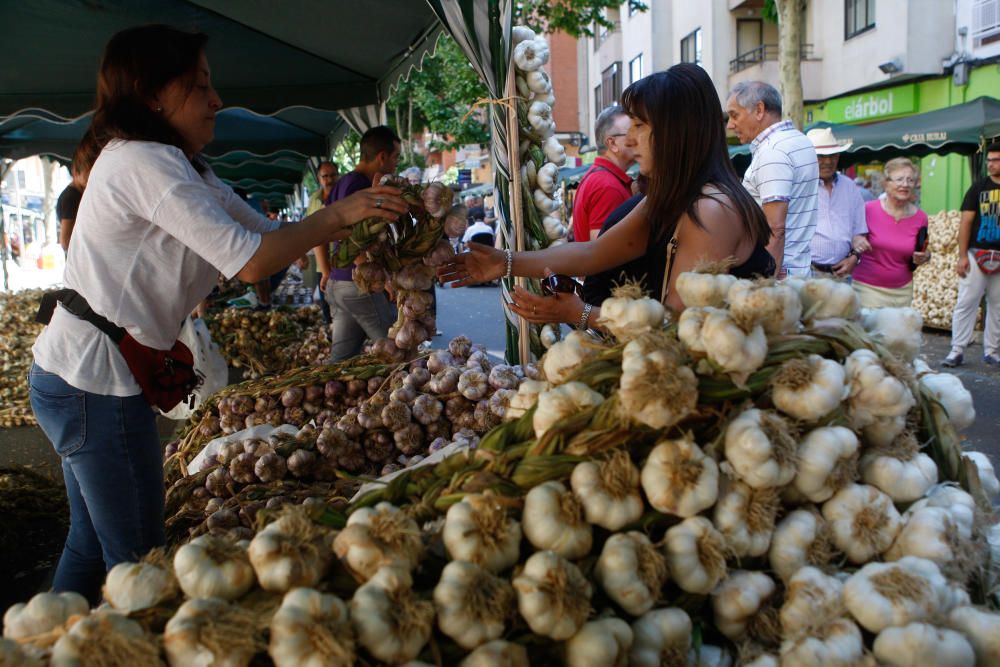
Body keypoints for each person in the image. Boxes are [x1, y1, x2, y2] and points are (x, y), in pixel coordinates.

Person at [28, 25, 406, 604]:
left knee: (90, 544)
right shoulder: (141, 162)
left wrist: (353, 222)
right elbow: (253, 263)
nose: (216, 100)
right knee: (139, 561)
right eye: (199, 86)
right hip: (92, 384)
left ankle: (51, 644)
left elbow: (267, 234)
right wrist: (337, 216)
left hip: (80, 376)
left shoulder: (187, 169)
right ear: (154, 96)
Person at [439, 64, 774, 324]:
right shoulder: (672, 199)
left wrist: (580, 314)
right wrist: (505, 263)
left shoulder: (711, 210)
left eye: (640, 127)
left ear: (675, 134)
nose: (630, 140)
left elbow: (675, 324)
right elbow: (594, 252)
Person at [314, 125, 402, 361]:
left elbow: (320, 228)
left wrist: (326, 272)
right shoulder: (358, 186)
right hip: (359, 286)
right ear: (382, 157)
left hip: (339, 285)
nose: (396, 164)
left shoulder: (343, 184)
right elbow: (351, 236)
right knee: (398, 351)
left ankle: (328, 394)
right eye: (396, 158)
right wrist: (377, 277)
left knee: (340, 359)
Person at [726, 81, 818, 277]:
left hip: (778, 278)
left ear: (759, 110)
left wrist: (767, 283)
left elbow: (775, 228)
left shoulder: (772, 152)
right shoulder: (799, 140)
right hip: (797, 271)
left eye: (734, 115)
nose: (730, 125)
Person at [942, 141, 1000, 367]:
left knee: (998, 305)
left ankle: (993, 351)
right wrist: (962, 256)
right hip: (976, 254)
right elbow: (965, 222)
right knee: (966, 302)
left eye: (996, 160)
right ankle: (956, 350)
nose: (991, 164)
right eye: (989, 160)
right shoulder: (978, 187)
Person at [851, 158, 930, 308]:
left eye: (910, 180)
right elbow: (850, 239)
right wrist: (856, 239)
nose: (905, 184)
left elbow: (922, 249)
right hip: (867, 289)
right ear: (886, 183)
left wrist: (926, 256)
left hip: (902, 291)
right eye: (899, 179)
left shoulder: (921, 218)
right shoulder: (868, 210)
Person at [806, 127, 870, 277]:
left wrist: (854, 257)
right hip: (806, 272)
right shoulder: (799, 187)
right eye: (821, 156)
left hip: (842, 272)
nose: (828, 161)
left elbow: (859, 231)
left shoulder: (849, 186)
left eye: (833, 155)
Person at [571, 104, 635, 242]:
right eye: (632, 133)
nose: (638, 138)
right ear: (612, 144)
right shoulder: (607, 186)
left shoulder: (600, 178)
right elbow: (604, 252)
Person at [306, 161, 339, 322]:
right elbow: (308, 228)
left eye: (332, 175)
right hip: (321, 263)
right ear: (319, 179)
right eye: (325, 176)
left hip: (343, 263)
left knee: (342, 305)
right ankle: (330, 335)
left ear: (338, 176)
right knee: (326, 304)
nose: (329, 179)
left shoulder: (345, 196)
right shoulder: (314, 200)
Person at [56, 144, 96, 253]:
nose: (91, 176)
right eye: (88, 172)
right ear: (75, 172)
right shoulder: (72, 197)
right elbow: (65, 242)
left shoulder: (78, 193)